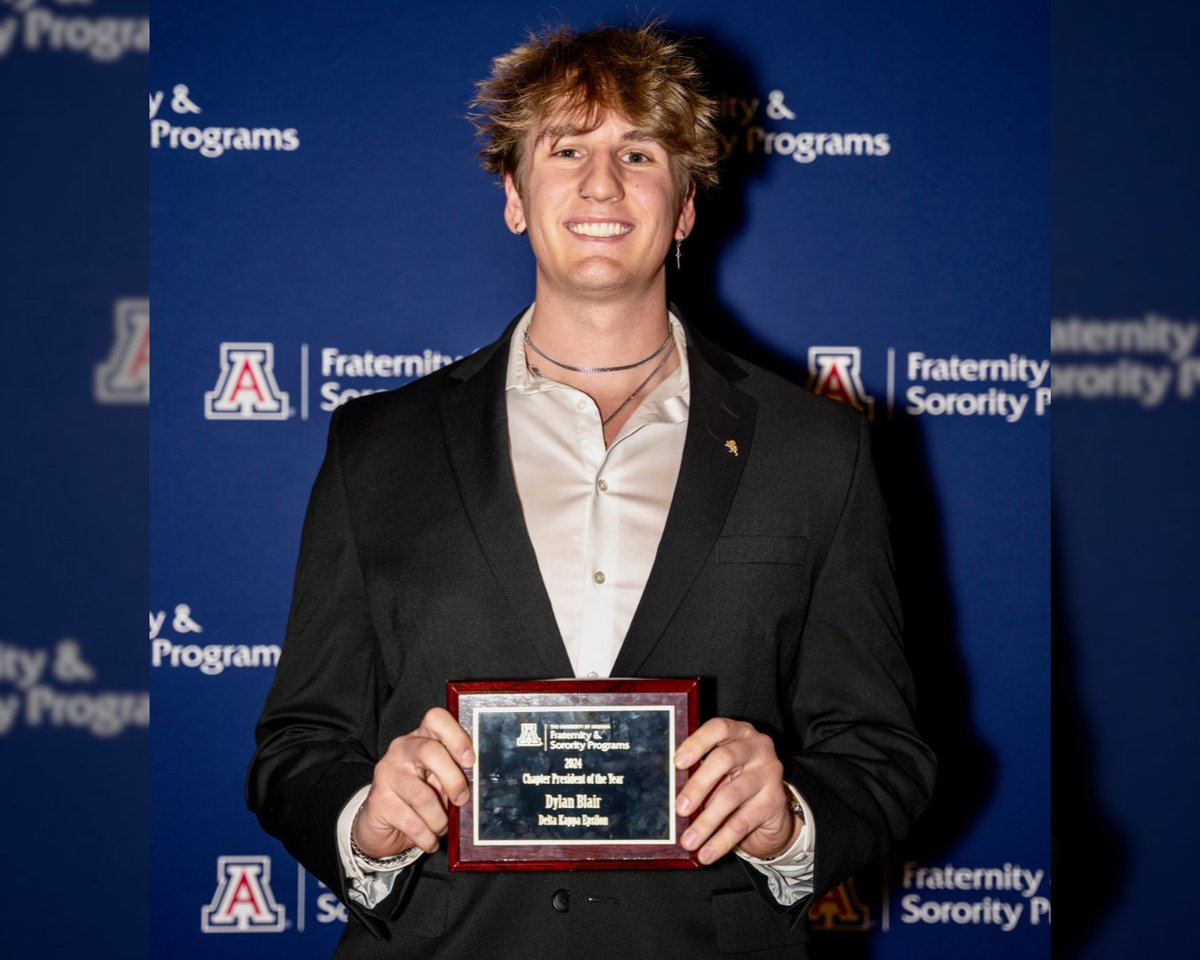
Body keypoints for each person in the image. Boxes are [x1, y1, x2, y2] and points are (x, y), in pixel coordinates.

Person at [247, 23, 935, 960]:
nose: (601, 184)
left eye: (638, 154)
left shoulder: (816, 448)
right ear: (514, 198)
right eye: (566, 150)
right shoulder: (378, 444)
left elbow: (883, 751)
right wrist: (364, 819)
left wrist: (791, 821)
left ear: (685, 206)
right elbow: (299, 742)